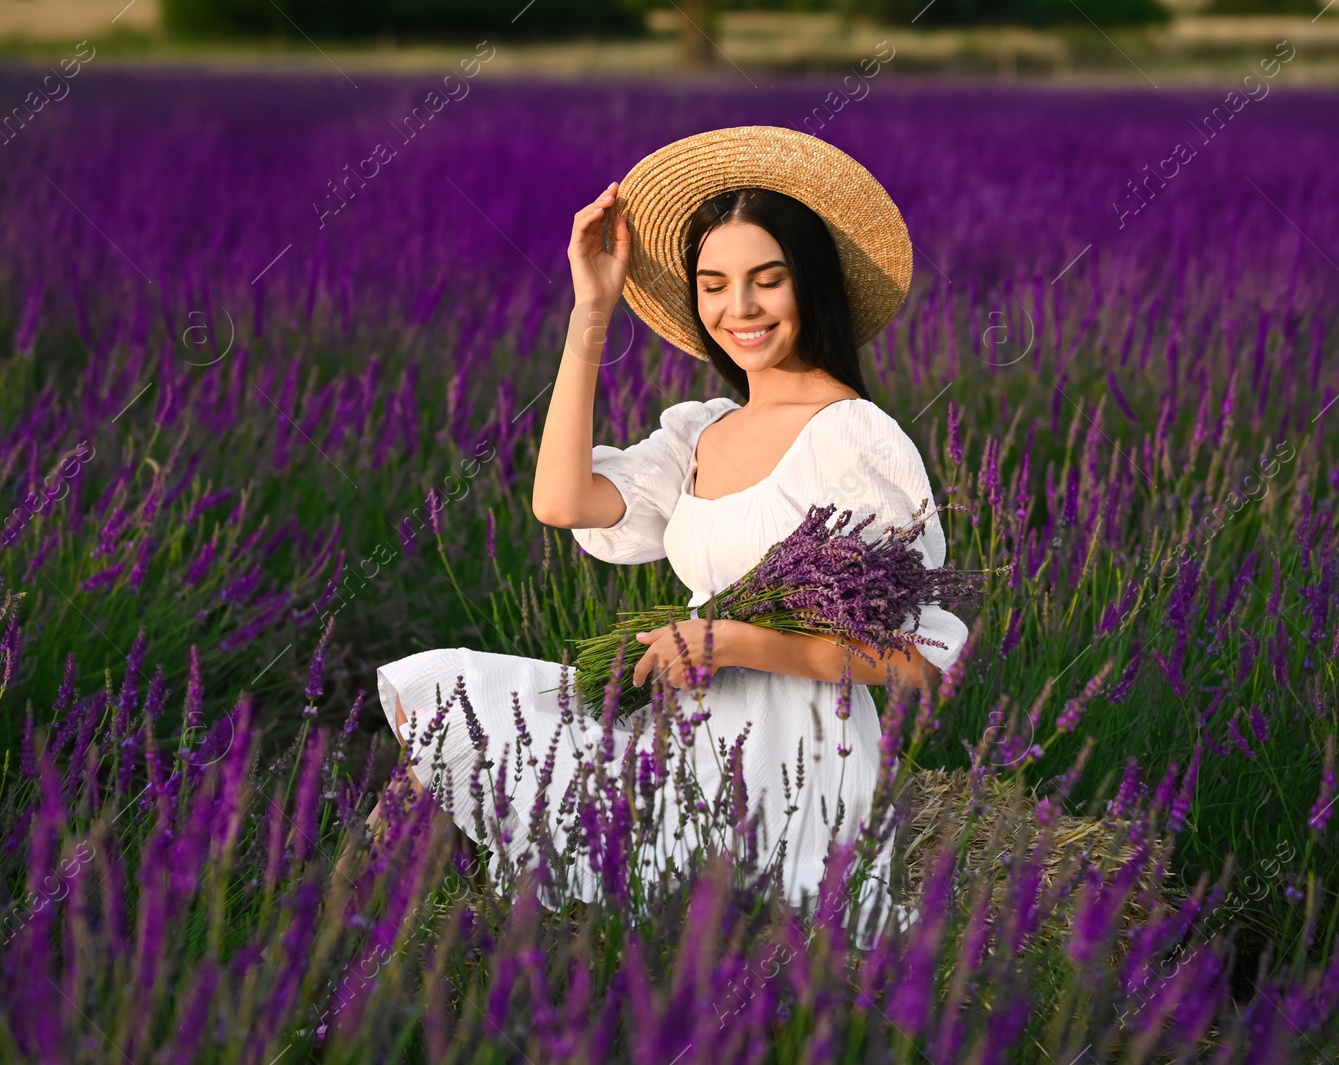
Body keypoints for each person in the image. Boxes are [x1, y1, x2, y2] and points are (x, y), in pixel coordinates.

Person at [370, 126, 970, 940]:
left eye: (768, 280)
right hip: (681, 717)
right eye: (714, 284)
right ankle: (363, 940)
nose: (739, 309)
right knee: (447, 695)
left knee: (699, 916)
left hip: (790, 755)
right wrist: (592, 310)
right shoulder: (706, 431)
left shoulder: (857, 440)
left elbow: (919, 665)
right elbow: (562, 500)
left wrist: (735, 642)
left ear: (813, 286)